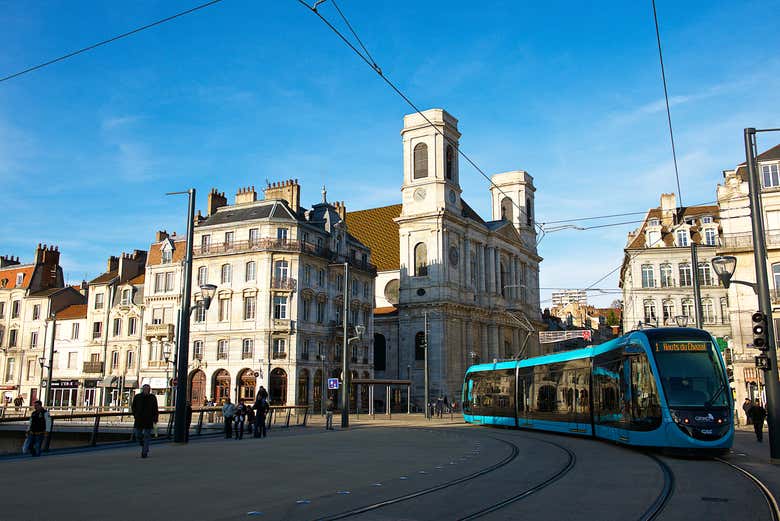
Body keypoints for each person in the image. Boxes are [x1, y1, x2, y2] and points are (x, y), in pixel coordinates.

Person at [131, 384, 159, 458]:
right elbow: (133, 406)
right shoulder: (137, 397)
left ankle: (144, 451)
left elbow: (155, 408)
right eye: (145, 389)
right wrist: (135, 415)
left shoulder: (152, 397)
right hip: (139, 419)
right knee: (138, 435)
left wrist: (155, 418)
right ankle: (143, 444)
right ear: (142, 389)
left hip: (149, 419)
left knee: (147, 436)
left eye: (148, 389)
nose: (146, 390)